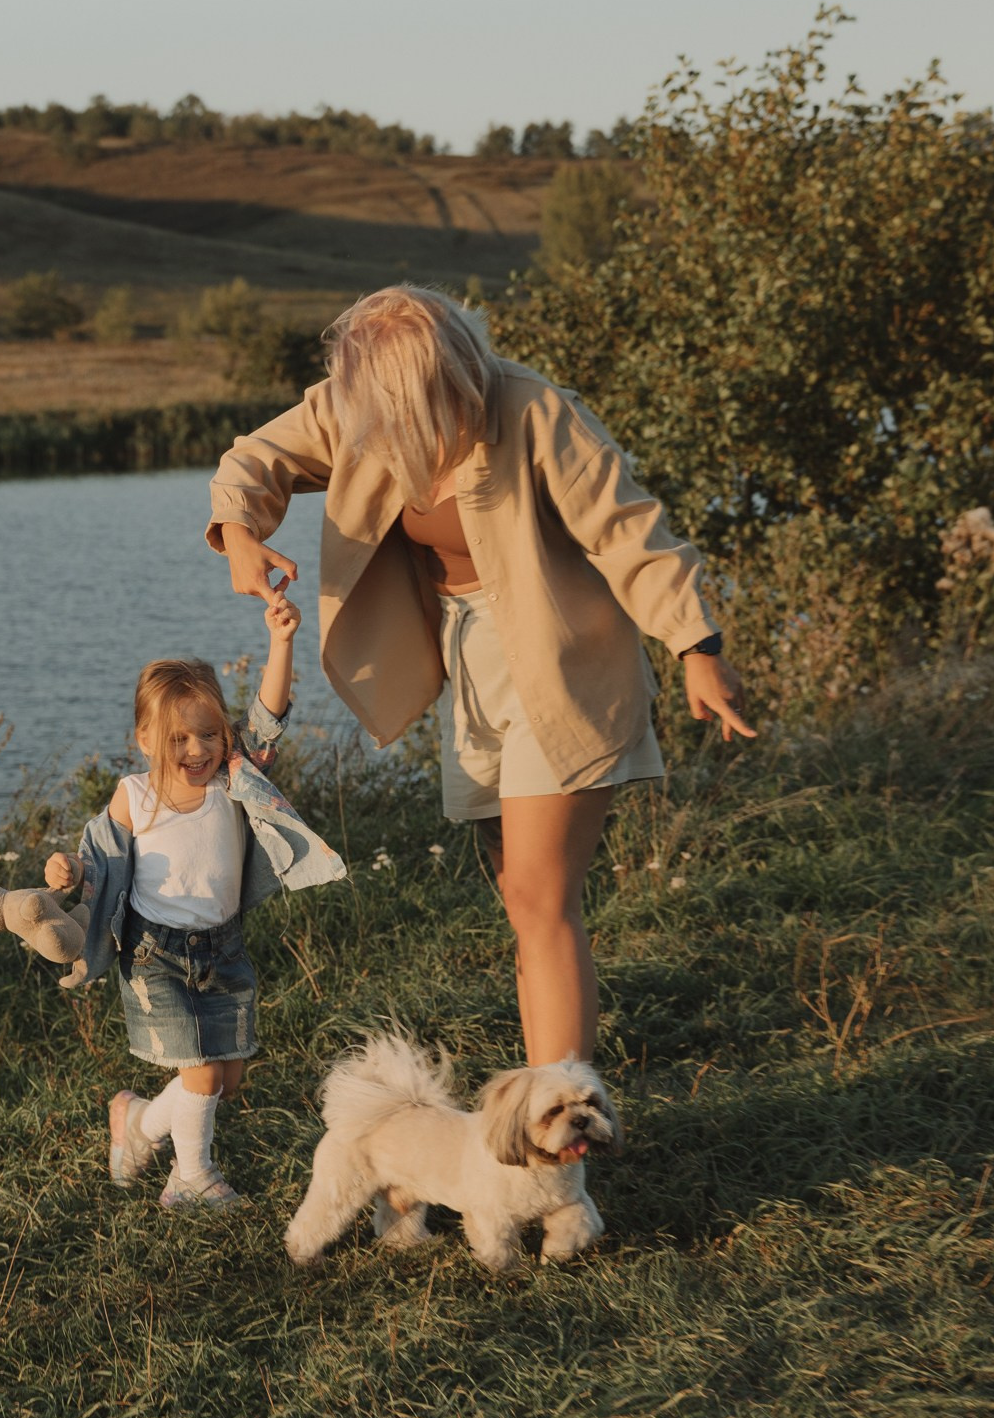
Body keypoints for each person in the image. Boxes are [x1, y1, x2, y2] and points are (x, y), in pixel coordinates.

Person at [206, 285, 755, 1067]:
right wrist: (238, 534)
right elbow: (253, 459)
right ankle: (560, 1096)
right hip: (467, 664)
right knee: (522, 901)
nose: (386, 425)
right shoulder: (357, 405)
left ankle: (561, 1129)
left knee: (540, 899)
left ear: (453, 375)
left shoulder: (532, 410)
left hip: (564, 662)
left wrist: (696, 643)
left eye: (407, 404)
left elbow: (626, 527)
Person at [44, 591, 345, 1209]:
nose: (196, 750)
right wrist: (70, 868)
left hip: (224, 950)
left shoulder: (236, 778)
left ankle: (136, 1124)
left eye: (209, 734)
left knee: (224, 1080)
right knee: (201, 1073)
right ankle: (191, 1179)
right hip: (155, 954)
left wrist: (282, 642)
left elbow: (270, 712)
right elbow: (99, 856)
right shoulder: (135, 795)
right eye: (179, 738)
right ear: (145, 738)